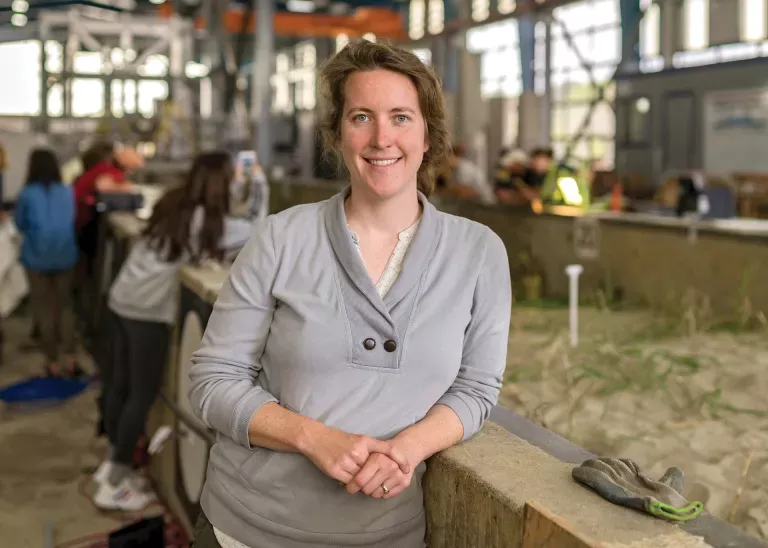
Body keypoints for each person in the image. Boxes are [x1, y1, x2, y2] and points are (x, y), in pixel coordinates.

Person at [188, 40, 512, 548]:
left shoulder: (479, 253)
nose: (382, 137)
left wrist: (405, 451)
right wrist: (313, 438)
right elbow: (213, 380)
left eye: (401, 117)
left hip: (385, 534)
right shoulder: (280, 237)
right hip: (245, 529)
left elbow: (476, 389)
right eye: (362, 116)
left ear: (428, 135)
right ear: (338, 135)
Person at [92, 151, 261, 512]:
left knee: (120, 385)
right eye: (232, 176)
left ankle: (109, 467)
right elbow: (260, 229)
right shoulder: (203, 220)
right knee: (142, 393)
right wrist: (257, 183)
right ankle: (116, 481)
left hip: (123, 298)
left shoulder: (175, 202)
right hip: (147, 311)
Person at [14, 149, 80, 378]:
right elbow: (72, 219)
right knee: (65, 307)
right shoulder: (67, 191)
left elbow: (20, 224)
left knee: (43, 309)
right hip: (65, 255)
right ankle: (71, 359)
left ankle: (52, 363)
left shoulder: (26, 194)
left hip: (37, 258)